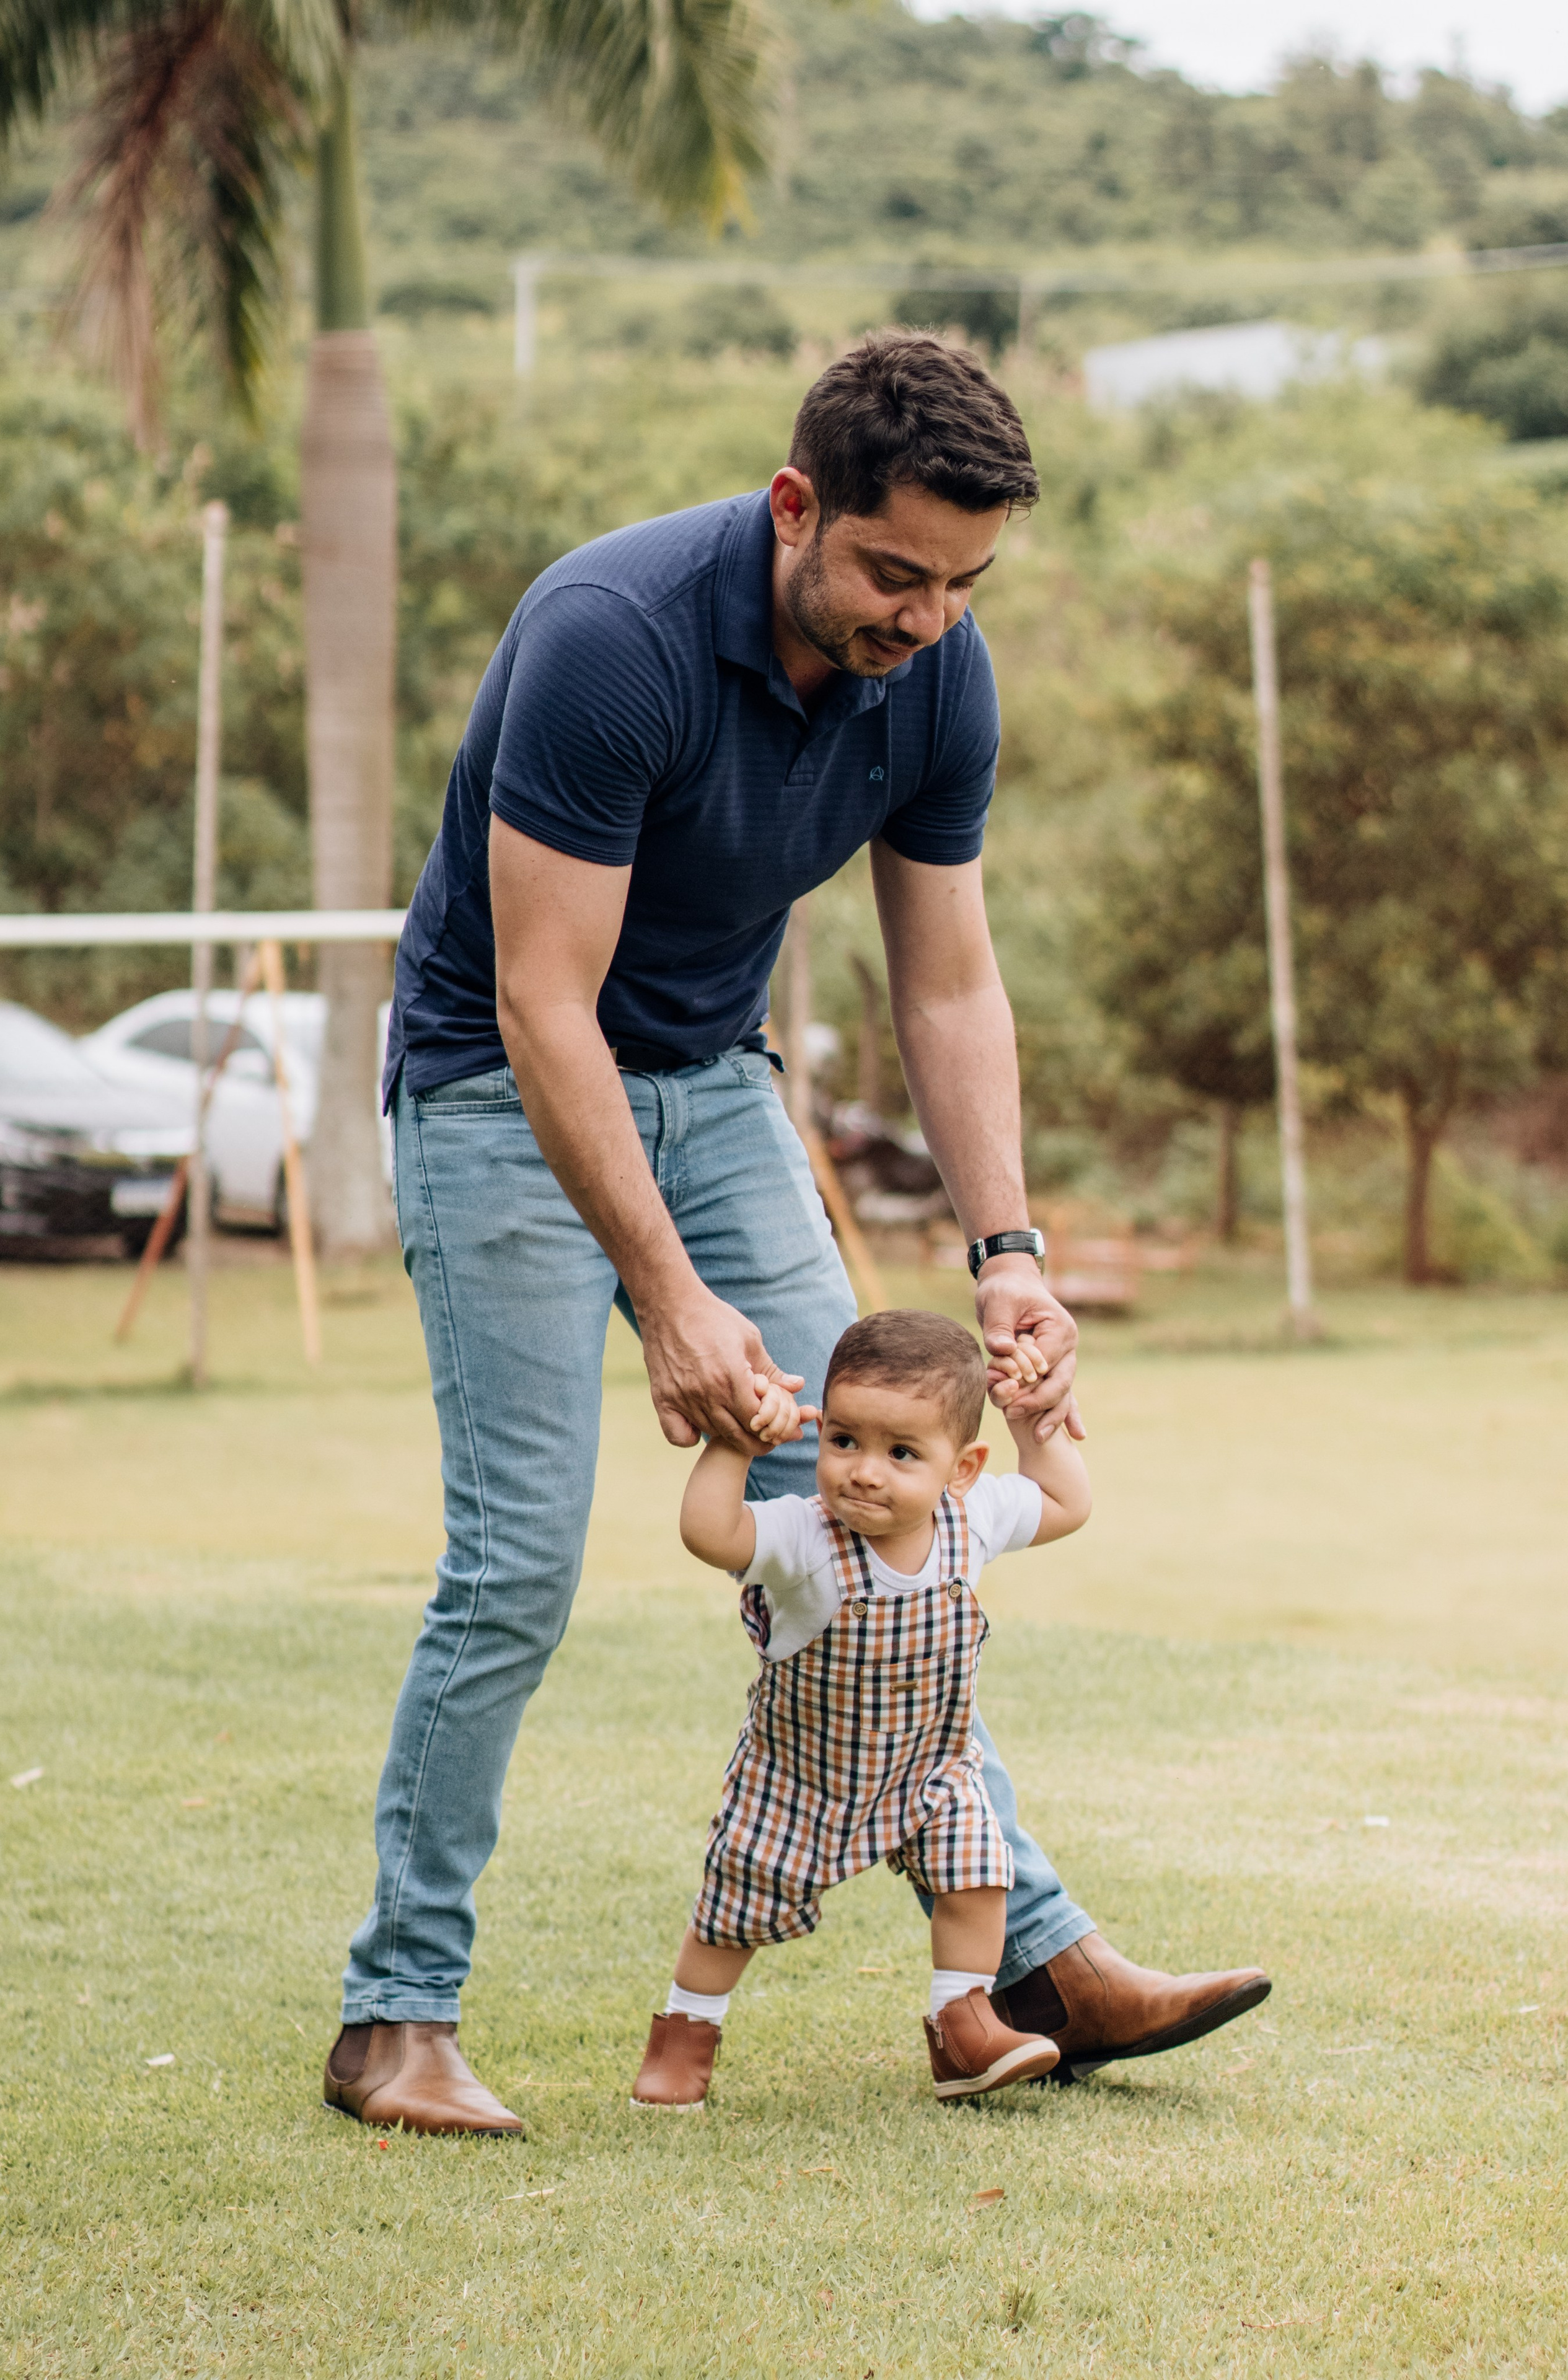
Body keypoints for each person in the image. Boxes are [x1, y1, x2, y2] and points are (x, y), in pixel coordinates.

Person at [321, 332, 1270, 2141]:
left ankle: (1025, 1962)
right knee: (516, 1566)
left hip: (712, 1083)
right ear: (794, 509)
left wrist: (1009, 1247)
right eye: (894, 572)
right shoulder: (617, 637)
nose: (926, 616)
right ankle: (396, 2014)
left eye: (964, 583)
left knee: (892, 1506)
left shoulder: (940, 678)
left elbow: (952, 974)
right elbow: (539, 1001)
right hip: (497, 1094)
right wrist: (668, 1297)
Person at [630, 1310, 1093, 2112]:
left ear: (964, 1467)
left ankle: (963, 2023)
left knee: (980, 1872)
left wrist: (1032, 1422)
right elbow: (709, 1531)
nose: (864, 1472)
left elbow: (1065, 1499)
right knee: (734, 1909)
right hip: (800, 1780)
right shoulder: (804, 1537)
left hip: (930, 1768)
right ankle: (684, 2032)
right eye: (843, 1441)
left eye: (901, 1452)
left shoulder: (973, 1518)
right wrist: (736, 1444)